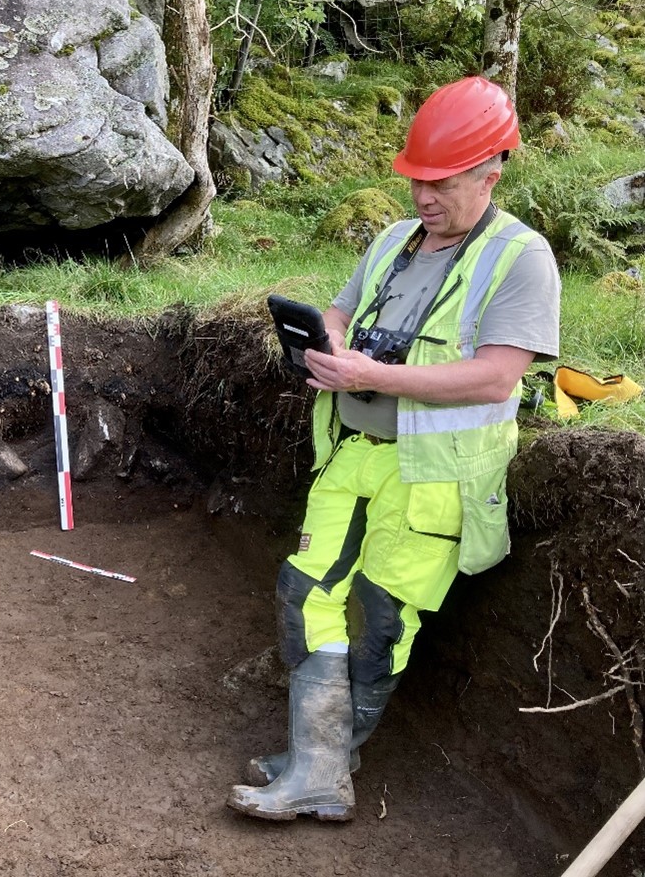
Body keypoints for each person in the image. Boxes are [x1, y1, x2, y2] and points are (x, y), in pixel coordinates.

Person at [227, 76, 561, 822]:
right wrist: (331, 346)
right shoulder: (392, 240)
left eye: (440, 183)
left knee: (379, 618)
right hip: (354, 451)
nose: (423, 197)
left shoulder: (522, 258)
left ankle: (326, 766)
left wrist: (372, 373)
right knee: (305, 590)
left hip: (435, 478)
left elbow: (497, 375)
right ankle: (316, 761)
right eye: (416, 180)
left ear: (489, 174)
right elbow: (342, 311)